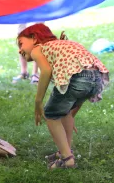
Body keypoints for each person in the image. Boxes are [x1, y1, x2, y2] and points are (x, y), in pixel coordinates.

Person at [16, 23, 109, 169]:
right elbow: (84, 74)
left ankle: (67, 159)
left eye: (21, 44)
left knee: (51, 114)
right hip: (96, 77)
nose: (19, 50)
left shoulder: (37, 49)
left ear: (34, 38)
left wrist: (38, 101)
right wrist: (72, 112)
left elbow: (45, 72)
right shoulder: (60, 45)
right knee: (65, 113)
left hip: (77, 77)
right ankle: (64, 151)